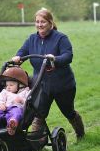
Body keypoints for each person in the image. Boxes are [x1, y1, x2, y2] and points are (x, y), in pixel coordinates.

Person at [11, 8, 85, 140]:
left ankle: (80, 134)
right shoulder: (32, 39)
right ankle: (37, 144)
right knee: (38, 114)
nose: (39, 25)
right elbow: (22, 51)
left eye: (43, 22)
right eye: (37, 22)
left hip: (63, 85)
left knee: (68, 112)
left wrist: (54, 59)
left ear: (50, 22)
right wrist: (18, 57)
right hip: (41, 85)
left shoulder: (61, 38)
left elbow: (68, 56)